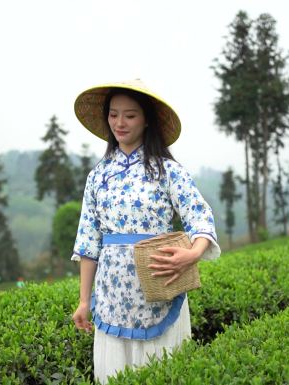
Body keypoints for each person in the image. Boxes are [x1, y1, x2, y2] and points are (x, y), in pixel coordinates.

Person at [70, 79, 221, 383]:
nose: (120, 123)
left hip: (159, 288)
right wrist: (85, 301)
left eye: (130, 115)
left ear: (147, 119)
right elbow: (89, 242)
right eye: (113, 114)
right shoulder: (97, 177)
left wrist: (192, 254)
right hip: (112, 295)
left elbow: (200, 216)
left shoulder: (168, 170)